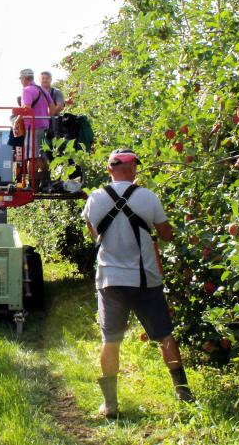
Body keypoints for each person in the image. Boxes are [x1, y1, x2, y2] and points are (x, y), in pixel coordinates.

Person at [81, 149, 194, 418]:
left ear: (110, 169)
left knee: (110, 340)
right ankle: (184, 395)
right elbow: (166, 235)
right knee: (164, 335)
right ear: (132, 169)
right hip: (146, 280)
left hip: (110, 280)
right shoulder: (147, 197)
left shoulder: (95, 199)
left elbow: (93, 233)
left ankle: (110, 404)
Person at [19, 68, 53, 189]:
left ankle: (34, 184)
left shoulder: (27, 90)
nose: (20, 81)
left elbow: (26, 108)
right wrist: (46, 119)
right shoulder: (42, 90)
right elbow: (52, 108)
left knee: (32, 156)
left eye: (20, 79)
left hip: (32, 126)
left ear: (25, 78)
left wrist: (18, 118)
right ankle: (44, 182)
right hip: (44, 126)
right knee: (39, 155)